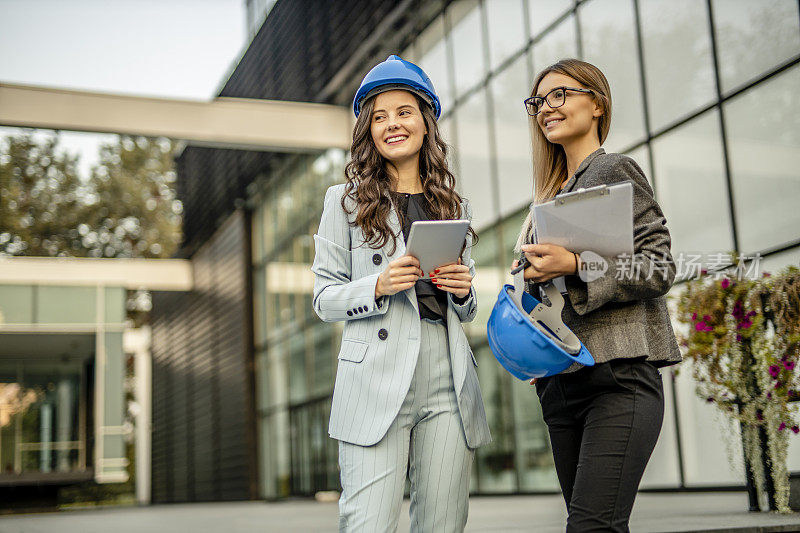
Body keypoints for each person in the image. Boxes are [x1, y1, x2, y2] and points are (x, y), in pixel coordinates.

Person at [311, 55, 491, 533]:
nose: (392, 124)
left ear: (425, 121)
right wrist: (378, 284)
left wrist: (461, 290)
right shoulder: (344, 201)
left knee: (443, 524)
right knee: (368, 524)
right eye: (379, 116)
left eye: (404, 111)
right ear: (367, 130)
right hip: (374, 374)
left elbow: (467, 308)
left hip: (446, 376)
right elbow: (323, 297)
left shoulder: (455, 205)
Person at [512, 58, 682, 532]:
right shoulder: (544, 200)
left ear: (597, 104)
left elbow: (658, 266)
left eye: (560, 94)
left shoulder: (614, 168)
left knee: (591, 527)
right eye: (538, 101)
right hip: (560, 384)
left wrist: (577, 265)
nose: (546, 107)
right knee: (597, 526)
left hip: (619, 378)